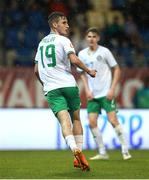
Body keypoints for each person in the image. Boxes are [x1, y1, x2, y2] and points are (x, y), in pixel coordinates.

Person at [34, 12, 96, 171]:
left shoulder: (41, 43)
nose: (67, 25)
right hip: (68, 84)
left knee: (64, 121)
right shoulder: (63, 40)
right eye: (64, 22)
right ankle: (80, 152)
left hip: (52, 88)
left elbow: (36, 71)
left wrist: (45, 83)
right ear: (55, 25)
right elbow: (74, 60)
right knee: (76, 118)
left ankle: (74, 149)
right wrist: (89, 71)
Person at [78, 27, 132, 160]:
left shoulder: (105, 51)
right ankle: (102, 152)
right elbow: (82, 74)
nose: (91, 39)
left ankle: (125, 150)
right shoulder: (82, 54)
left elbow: (117, 68)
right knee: (91, 122)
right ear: (86, 38)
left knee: (113, 120)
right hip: (93, 94)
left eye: (94, 37)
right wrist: (87, 89)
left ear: (98, 38)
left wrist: (112, 88)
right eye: (89, 36)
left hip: (106, 92)